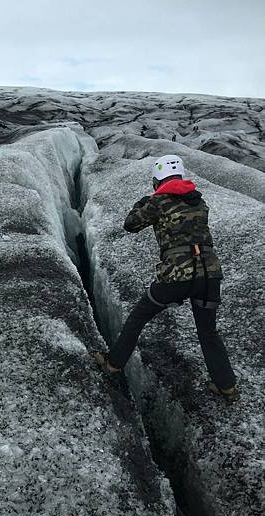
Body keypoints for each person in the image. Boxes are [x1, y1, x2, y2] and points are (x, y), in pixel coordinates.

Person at [93, 154, 239, 402]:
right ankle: (227, 387)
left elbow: (130, 224)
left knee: (138, 318)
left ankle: (113, 364)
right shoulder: (198, 202)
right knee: (208, 332)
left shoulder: (158, 202)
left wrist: (144, 201)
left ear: (157, 179)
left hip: (177, 276)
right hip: (209, 275)